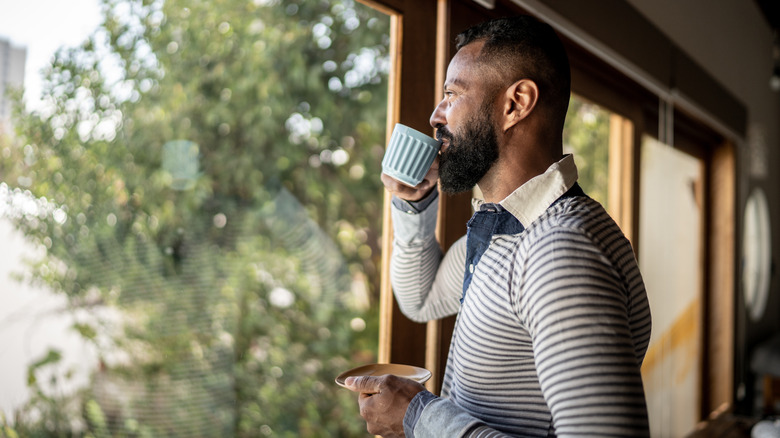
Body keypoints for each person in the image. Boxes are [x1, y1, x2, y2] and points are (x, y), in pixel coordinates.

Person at [345, 15, 652, 437]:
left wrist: (420, 416)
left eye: (452, 95)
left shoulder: (561, 250)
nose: (436, 116)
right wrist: (414, 201)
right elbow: (422, 299)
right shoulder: (506, 228)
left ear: (515, 104)